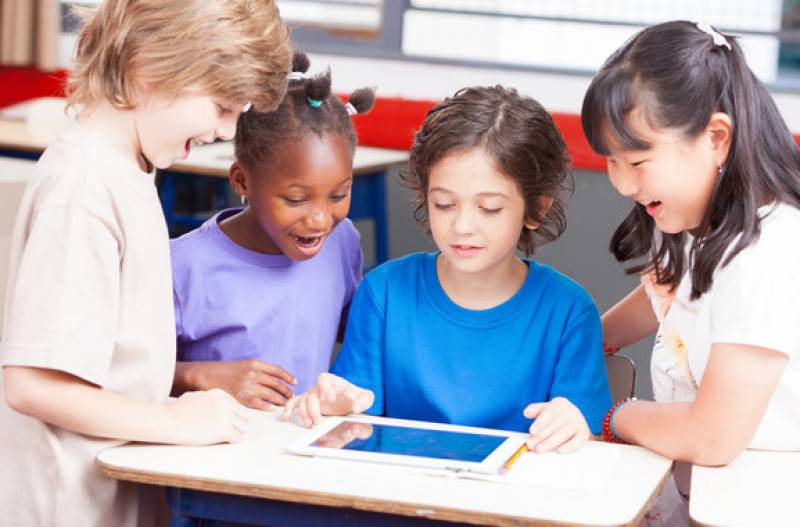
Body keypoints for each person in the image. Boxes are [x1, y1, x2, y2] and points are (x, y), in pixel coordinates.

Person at [0, 1, 291, 525]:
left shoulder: (128, 167)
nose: (227, 131)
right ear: (152, 68)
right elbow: (31, 384)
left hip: (110, 487)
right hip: (66, 505)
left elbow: (111, 360)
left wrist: (189, 386)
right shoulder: (85, 189)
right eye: (223, 106)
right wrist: (178, 422)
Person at [285, 85, 612, 455]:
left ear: (535, 209)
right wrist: (333, 411)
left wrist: (576, 425)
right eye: (444, 204)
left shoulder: (568, 311)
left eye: (489, 208)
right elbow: (354, 423)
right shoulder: (386, 292)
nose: (462, 226)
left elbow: (592, 440)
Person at [581, 20, 800, 522]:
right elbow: (666, 296)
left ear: (716, 138)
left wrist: (610, 415)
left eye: (636, 161)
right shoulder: (690, 214)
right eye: (610, 161)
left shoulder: (767, 254)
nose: (621, 183)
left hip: (760, 507)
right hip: (700, 497)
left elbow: (714, 435)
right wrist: (585, 342)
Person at [171, 52, 374, 409]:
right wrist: (200, 377)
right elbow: (127, 375)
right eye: (296, 199)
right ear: (242, 181)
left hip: (298, 447)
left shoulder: (341, 243)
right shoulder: (183, 266)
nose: (320, 220)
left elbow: (352, 337)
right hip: (207, 452)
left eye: (338, 195)